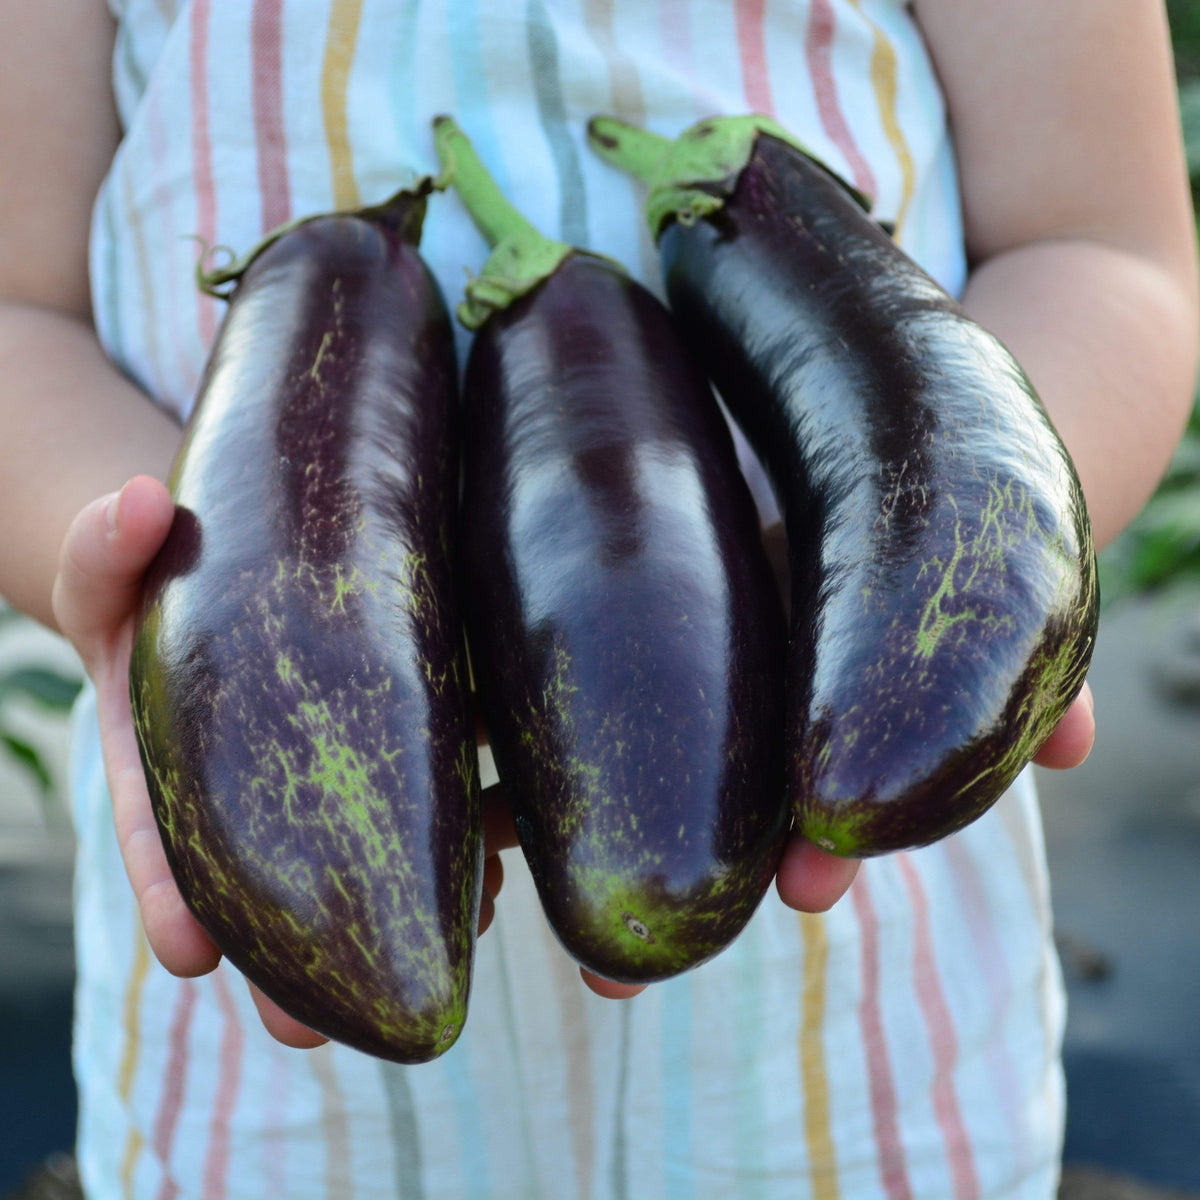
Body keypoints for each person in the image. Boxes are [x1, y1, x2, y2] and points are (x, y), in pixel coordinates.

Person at [0, 1, 1195, 1196]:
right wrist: (125, 560)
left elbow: (1097, 240)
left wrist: (985, 550)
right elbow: (17, 311)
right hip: (278, 1101)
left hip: (860, 989)